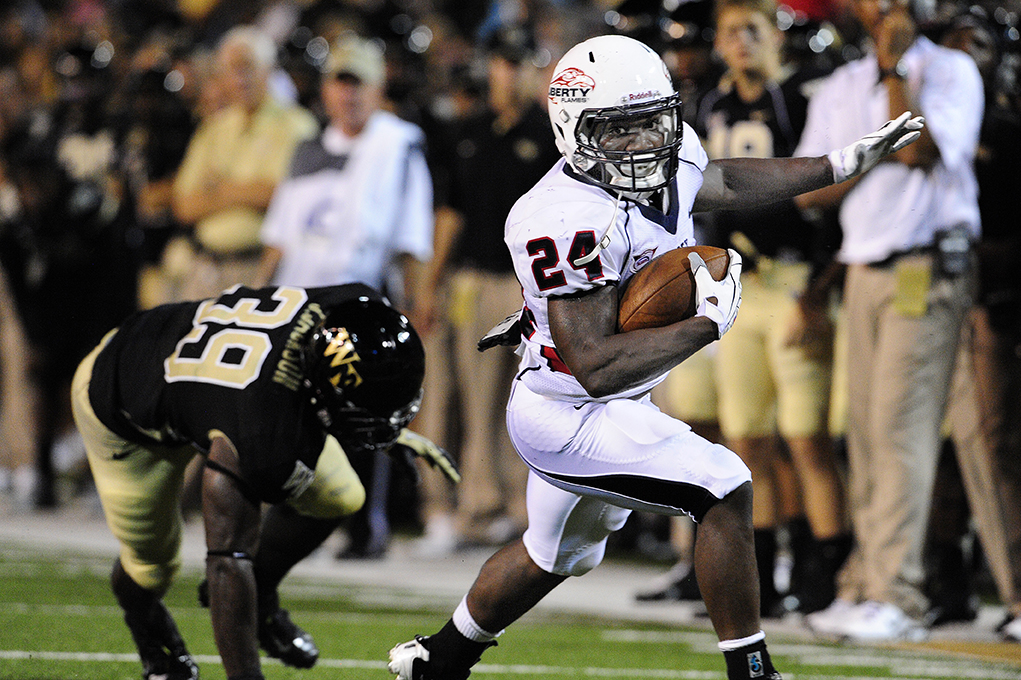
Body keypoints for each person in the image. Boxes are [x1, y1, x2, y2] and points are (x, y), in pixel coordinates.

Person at [387, 33, 922, 680]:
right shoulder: (562, 217)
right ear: (572, 128)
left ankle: (439, 659)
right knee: (723, 485)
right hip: (569, 410)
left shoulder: (668, 158)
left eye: (651, 122)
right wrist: (703, 325)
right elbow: (594, 366)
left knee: (554, 556)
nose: (643, 141)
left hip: (612, 394)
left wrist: (835, 165)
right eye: (620, 128)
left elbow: (720, 178)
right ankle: (752, 672)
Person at [70, 282, 458, 680]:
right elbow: (226, 561)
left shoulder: (354, 304)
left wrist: (382, 425)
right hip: (124, 402)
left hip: (213, 379)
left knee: (339, 496)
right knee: (152, 566)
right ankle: (151, 633)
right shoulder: (261, 433)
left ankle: (261, 601)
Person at [792, 0, 983, 642]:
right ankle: (865, 583)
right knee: (867, 434)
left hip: (923, 266)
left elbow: (918, 152)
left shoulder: (950, 70)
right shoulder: (844, 83)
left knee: (901, 431)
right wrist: (871, 152)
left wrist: (895, 73)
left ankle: (898, 594)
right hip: (862, 269)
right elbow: (808, 186)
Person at [694, 0, 851, 617]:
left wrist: (817, 288)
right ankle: (761, 577)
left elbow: (825, 199)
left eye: (752, 30)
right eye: (731, 32)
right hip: (739, 282)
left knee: (805, 438)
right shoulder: (711, 105)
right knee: (746, 439)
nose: (741, 42)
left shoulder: (799, 102)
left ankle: (824, 573)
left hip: (792, 281)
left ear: (776, 39)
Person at [254, 33, 435, 559]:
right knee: (295, 413)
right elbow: (280, 235)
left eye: (359, 84)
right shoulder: (308, 149)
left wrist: (416, 301)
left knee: (362, 414)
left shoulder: (399, 145)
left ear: (378, 90)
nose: (349, 94)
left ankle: (365, 526)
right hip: (301, 297)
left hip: (362, 296)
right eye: (341, 82)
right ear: (326, 89)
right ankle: (299, 519)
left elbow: (412, 236)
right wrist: (258, 295)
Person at [412, 28, 560, 555]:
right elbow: (450, 213)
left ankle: (516, 510)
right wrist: (429, 284)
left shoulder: (550, 135)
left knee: (523, 401)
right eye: (503, 62)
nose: (509, 73)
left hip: (525, 284)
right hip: (472, 280)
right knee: (471, 401)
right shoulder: (468, 131)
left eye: (519, 64)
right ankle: (472, 509)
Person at [936, 6, 1021, 641]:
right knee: (959, 448)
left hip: (994, 303)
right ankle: (956, 585)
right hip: (956, 297)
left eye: (978, 46)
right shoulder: (945, 115)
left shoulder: (1004, 131)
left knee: (991, 446)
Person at [171, 25, 318, 302]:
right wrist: (246, 192)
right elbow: (183, 205)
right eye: (232, 70)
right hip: (205, 266)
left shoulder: (296, 125)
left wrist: (219, 190)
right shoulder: (215, 127)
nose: (240, 79)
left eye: (248, 67)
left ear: (269, 70)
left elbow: (283, 196)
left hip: (261, 268)